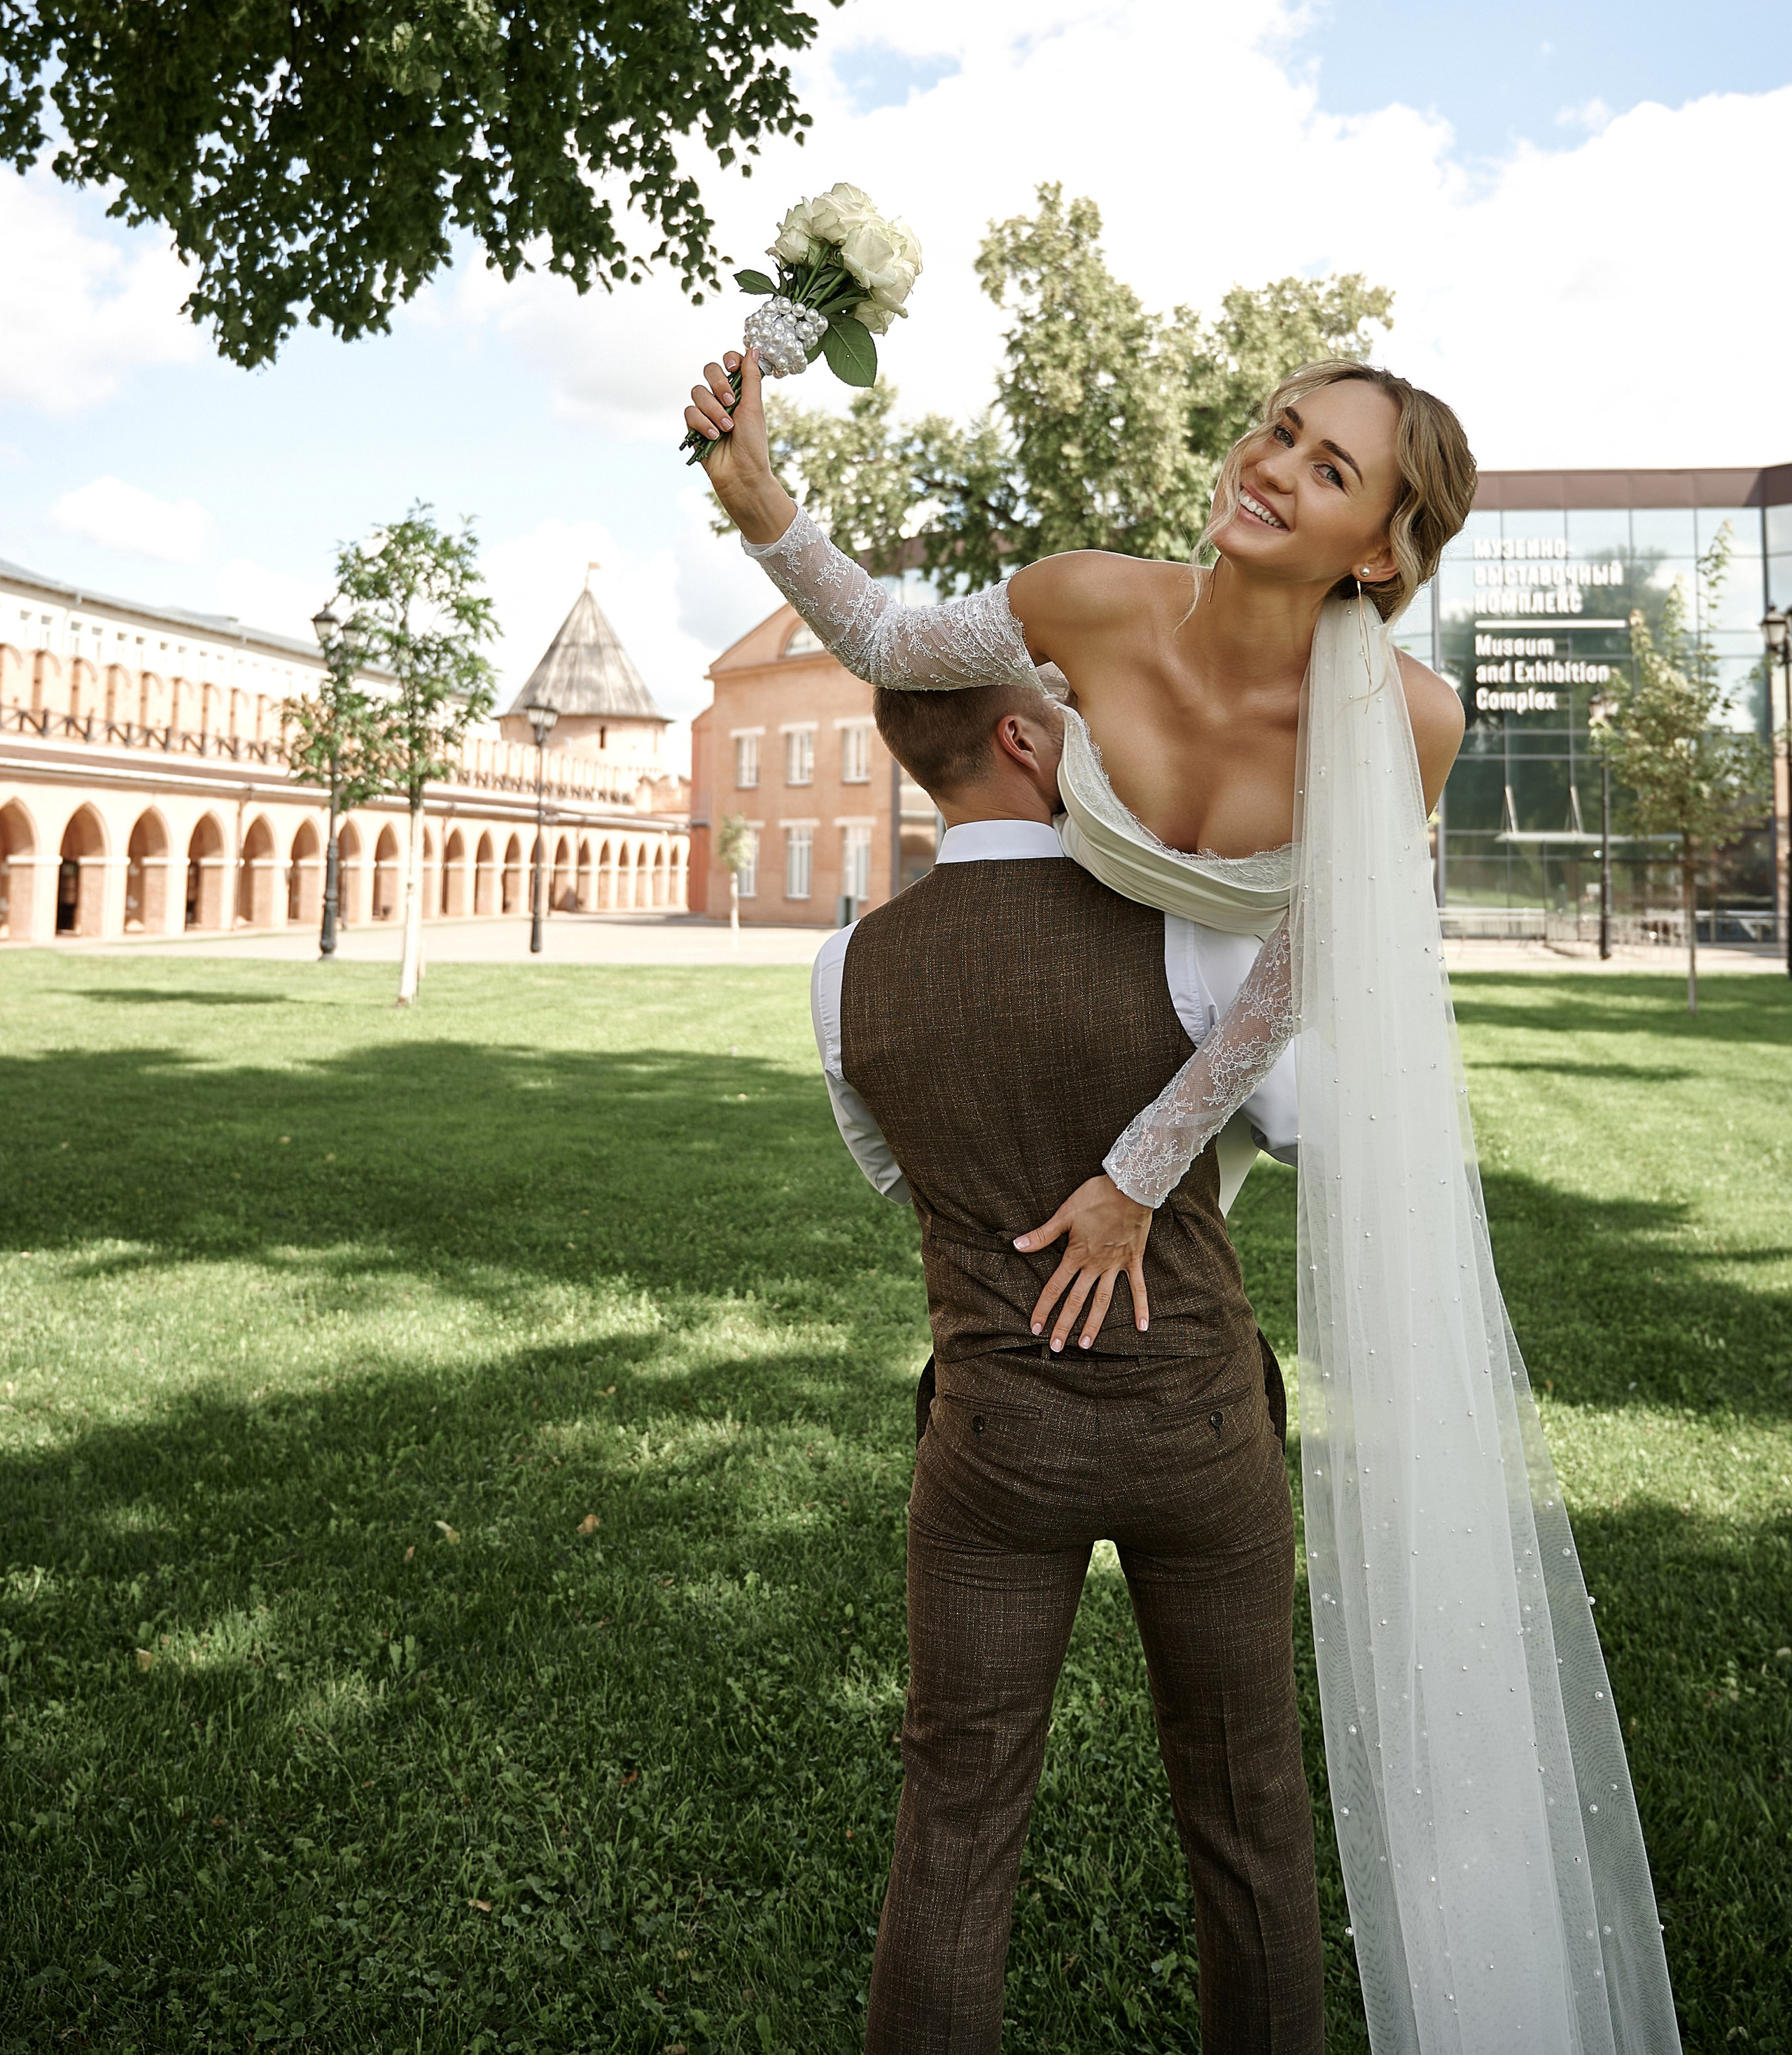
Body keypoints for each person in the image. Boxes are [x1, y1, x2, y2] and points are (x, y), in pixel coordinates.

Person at [687, 342, 1681, 2055]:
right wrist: (764, 503)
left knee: (1001, 1802)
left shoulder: (1407, 720)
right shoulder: (1086, 598)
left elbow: (1304, 963)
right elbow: (892, 645)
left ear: (1382, 546)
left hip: (1137, 1195)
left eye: (1327, 467)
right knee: (1231, 1801)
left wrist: (1136, 1176)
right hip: (1156, 1254)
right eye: (1277, 430)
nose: (1270, 465)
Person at [810, 678, 1320, 2054]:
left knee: (954, 1822)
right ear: (1024, 740)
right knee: (1249, 1814)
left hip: (991, 1445)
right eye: (1065, 707)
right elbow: (1312, 1125)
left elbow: (900, 1173)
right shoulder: (1189, 924)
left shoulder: (847, 966)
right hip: (1196, 1429)